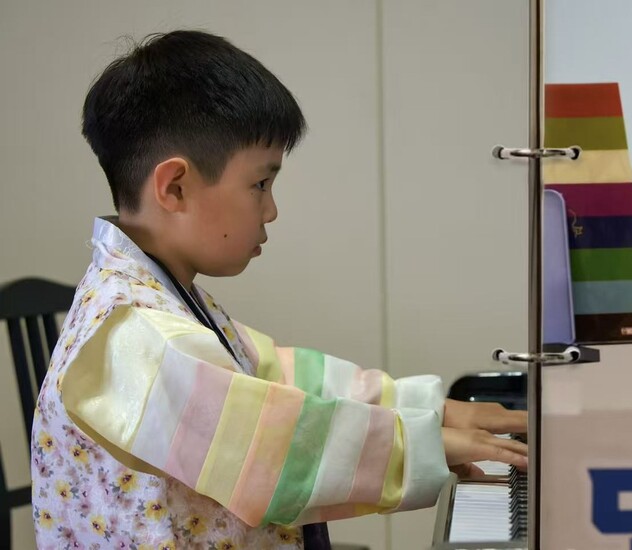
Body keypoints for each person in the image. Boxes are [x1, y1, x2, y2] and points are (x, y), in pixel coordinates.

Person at [30, 29, 527, 548]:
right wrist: (424, 444)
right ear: (175, 187)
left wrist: (432, 408)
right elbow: (268, 453)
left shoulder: (157, 292)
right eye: (260, 184)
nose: (271, 210)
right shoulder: (132, 333)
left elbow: (278, 383)